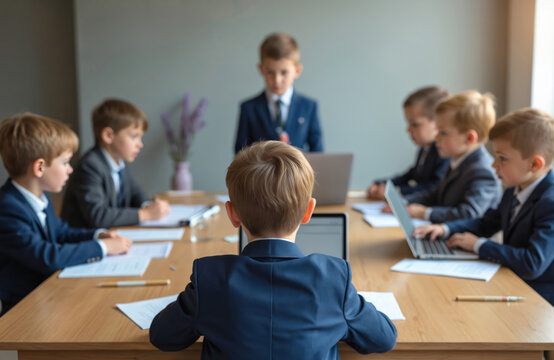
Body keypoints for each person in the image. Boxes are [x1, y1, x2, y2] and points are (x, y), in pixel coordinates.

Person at [150, 141, 397, 359]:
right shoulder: (333, 278)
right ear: (308, 211)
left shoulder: (211, 278)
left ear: (232, 214)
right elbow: (384, 338)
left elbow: (162, 336)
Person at [414, 108, 554, 305]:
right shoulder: (514, 189)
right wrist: (444, 228)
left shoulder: (550, 202)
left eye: (502, 158)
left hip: (539, 301)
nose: (493, 165)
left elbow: (532, 263)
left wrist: (479, 245)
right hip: (513, 283)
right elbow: (486, 223)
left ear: (534, 164)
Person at [0, 113, 131, 316]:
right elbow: (47, 256)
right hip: (25, 310)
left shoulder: (39, 197)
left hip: (50, 295)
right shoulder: (7, 208)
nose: (70, 170)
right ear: (40, 167)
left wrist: (97, 235)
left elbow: (61, 232)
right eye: (65, 162)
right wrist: (103, 247)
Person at [61, 98, 169, 228]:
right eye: (134, 136)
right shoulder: (90, 166)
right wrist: (145, 214)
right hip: (85, 240)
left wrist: (149, 205)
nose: (140, 144)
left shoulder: (119, 162)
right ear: (108, 135)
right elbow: (98, 216)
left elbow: (135, 193)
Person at [397, 90, 502, 223]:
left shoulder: (483, 171)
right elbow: (436, 193)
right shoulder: (457, 160)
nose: (436, 137)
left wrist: (425, 213)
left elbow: (469, 213)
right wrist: (405, 202)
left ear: (469, 138)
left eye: (443, 133)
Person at [234, 33, 323, 153]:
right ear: (261, 69)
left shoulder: (309, 106)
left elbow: (318, 151)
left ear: (297, 71)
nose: (277, 80)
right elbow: (240, 154)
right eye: (270, 72)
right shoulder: (249, 108)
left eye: (284, 72)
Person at [368, 86, 450, 200]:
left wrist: (396, 192)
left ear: (438, 123)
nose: (408, 129)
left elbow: (433, 187)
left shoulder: (444, 152)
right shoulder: (425, 149)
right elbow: (410, 175)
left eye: (415, 124)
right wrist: (382, 183)